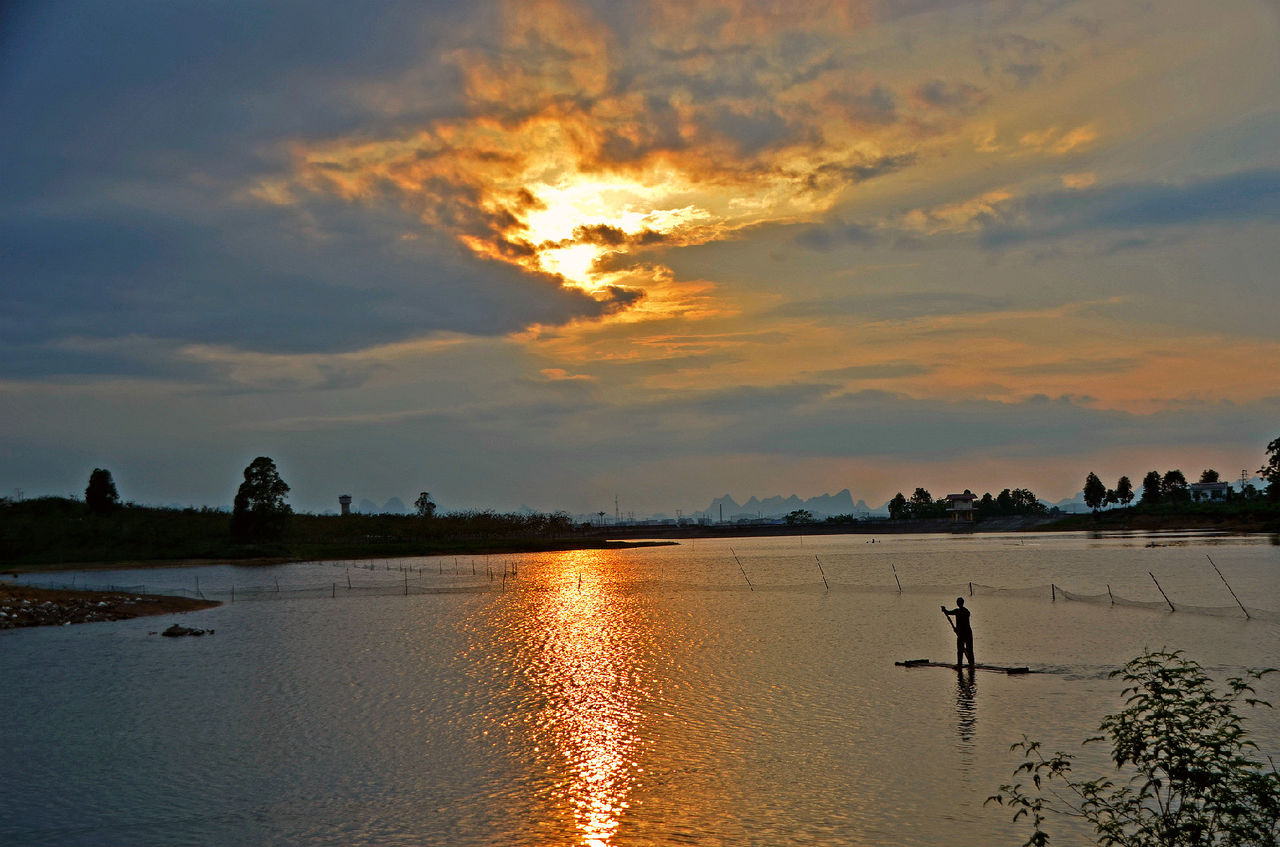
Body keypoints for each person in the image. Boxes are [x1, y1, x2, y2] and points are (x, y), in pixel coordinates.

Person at [942, 597, 975, 669]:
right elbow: (949, 612)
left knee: (961, 649)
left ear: (958, 603)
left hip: (963, 634)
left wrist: (944, 610)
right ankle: (971, 663)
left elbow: (949, 613)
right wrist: (945, 610)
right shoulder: (966, 611)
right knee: (968, 649)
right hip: (967, 633)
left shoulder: (959, 611)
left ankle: (962, 664)